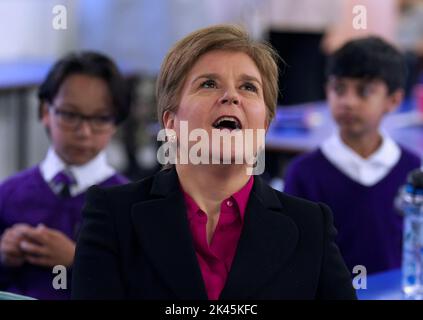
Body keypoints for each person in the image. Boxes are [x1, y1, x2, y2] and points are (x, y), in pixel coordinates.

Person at [71, 25, 356, 300]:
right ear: (171, 123)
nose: (231, 96)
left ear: (265, 126)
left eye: (248, 87)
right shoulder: (111, 215)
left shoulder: (311, 225)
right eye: (208, 84)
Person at [284, 37, 421, 275]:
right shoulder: (303, 173)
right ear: (327, 90)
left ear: (393, 100)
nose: (348, 102)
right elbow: (294, 256)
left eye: (364, 91)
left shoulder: (413, 170)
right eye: (339, 89)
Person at [0, 51, 130, 299]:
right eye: (70, 115)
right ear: (45, 112)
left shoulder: (129, 205)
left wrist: (78, 260)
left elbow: (137, 287)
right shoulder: (8, 194)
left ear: (115, 123)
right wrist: (4, 256)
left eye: (100, 119)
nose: (83, 132)